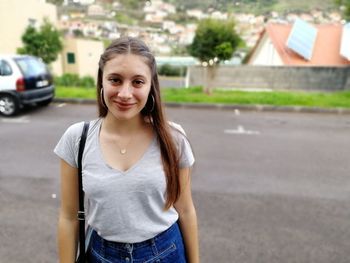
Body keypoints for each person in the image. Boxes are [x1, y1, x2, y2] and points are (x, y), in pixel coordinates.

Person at [54, 36, 199, 263]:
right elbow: (68, 216)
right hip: (101, 255)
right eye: (115, 80)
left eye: (138, 82)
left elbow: (186, 210)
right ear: (101, 81)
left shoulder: (173, 138)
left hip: (166, 252)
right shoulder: (76, 138)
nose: (125, 93)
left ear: (152, 86)